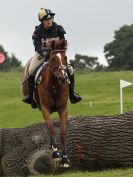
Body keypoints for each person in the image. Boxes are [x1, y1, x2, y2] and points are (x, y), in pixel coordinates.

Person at [23, 7, 82, 106]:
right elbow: (37, 46)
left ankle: (72, 95)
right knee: (31, 69)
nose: (49, 21)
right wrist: (44, 53)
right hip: (42, 54)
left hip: (56, 54)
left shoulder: (58, 28)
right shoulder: (37, 31)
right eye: (46, 19)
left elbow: (63, 42)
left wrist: (61, 52)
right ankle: (30, 96)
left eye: (50, 19)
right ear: (42, 21)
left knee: (70, 69)